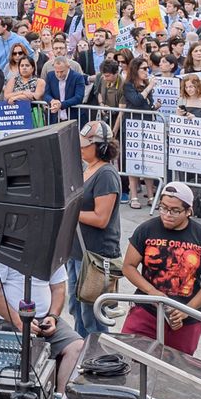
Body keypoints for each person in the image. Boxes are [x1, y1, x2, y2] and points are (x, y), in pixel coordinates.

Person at [120, 181, 201, 355]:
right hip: (147, 311)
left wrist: (187, 310)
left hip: (185, 320)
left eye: (175, 211)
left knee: (176, 366)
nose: (167, 215)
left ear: (188, 211)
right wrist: (152, 291)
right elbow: (128, 266)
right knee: (128, 358)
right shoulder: (146, 229)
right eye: (163, 208)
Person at [0, 256, 84, 380]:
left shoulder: (50, 249)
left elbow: (59, 288)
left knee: (78, 347)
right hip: (5, 320)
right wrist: (19, 322)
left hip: (43, 319)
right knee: (26, 355)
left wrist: (53, 316)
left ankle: (61, 392)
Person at [72, 120, 123, 336]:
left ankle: (98, 352)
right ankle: (81, 350)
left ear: (100, 147)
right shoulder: (88, 169)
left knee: (93, 316)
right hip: (79, 253)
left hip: (96, 255)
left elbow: (101, 218)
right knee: (77, 310)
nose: (80, 149)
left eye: (85, 145)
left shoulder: (106, 175)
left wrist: (71, 213)